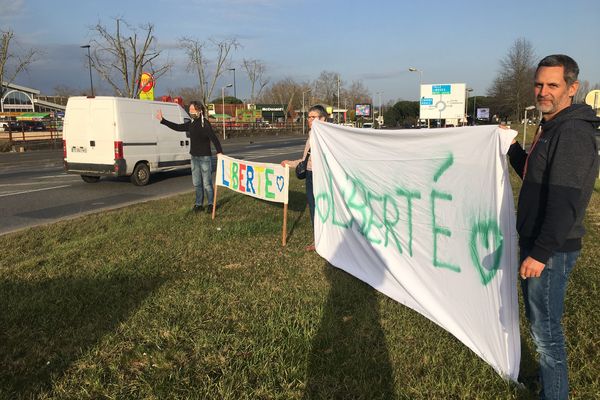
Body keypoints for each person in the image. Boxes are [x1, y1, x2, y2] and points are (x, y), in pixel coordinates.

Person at [507, 54, 599, 399]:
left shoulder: (572, 132)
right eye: (539, 84)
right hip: (539, 243)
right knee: (540, 325)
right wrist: (514, 148)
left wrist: (541, 253)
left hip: (551, 250)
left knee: (546, 333)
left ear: (572, 88)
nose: (543, 91)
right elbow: (535, 181)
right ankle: (549, 384)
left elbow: (566, 203)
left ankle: (554, 393)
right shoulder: (553, 127)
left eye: (553, 85)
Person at [155, 101, 223, 213]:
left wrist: (219, 152)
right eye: (190, 110)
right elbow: (177, 127)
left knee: (207, 183)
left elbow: (214, 138)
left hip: (205, 158)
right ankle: (198, 204)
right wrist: (163, 120)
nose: (190, 112)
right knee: (197, 183)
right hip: (194, 157)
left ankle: (211, 204)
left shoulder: (205, 124)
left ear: (199, 111)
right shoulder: (191, 123)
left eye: (192, 110)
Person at [281, 105, 327, 251]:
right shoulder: (311, 135)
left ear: (323, 119)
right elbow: (306, 160)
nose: (310, 120)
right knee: (313, 208)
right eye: (309, 117)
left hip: (321, 176)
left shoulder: (326, 136)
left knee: (323, 208)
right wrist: (290, 163)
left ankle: (326, 240)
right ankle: (318, 240)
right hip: (309, 174)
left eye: (314, 117)